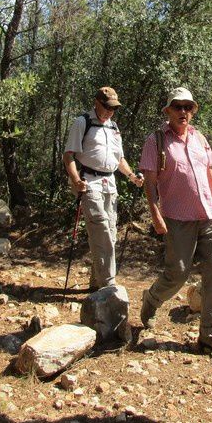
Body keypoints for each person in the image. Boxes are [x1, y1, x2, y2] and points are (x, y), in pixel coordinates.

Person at [138, 87, 212, 358]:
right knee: (177, 274)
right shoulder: (156, 141)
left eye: (188, 107)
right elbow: (150, 181)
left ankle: (210, 334)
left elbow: (210, 176)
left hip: (209, 216)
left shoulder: (200, 138)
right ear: (167, 110)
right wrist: (155, 213)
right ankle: (152, 299)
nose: (183, 111)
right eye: (177, 106)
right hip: (178, 218)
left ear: (193, 111)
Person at [63, 86, 143, 291]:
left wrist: (132, 176)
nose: (110, 111)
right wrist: (75, 180)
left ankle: (96, 282)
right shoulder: (83, 122)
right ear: (97, 103)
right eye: (107, 107)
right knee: (100, 230)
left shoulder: (114, 128)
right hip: (89, 181)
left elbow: (119, 160)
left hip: (110, 184)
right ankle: (108, 285)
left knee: (111, 233)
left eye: (113, 108)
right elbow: (68, 155)